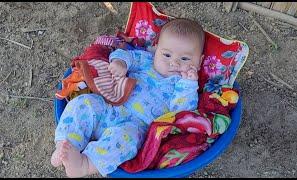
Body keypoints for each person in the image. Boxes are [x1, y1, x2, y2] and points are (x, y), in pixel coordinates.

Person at [50, 18, 205, 178]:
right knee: (84, 103)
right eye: (166, 54)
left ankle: (85, 164)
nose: (174, 63)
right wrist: (120, 63)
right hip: (110, 107)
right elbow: (124, 54)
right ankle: (66, 144)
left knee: (127, 141)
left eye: (185, 59)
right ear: (156, 49)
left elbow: (183, 112)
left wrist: (189, 85)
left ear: (199, 61)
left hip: (135, 126)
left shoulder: (184, 85)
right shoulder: (146, 60)